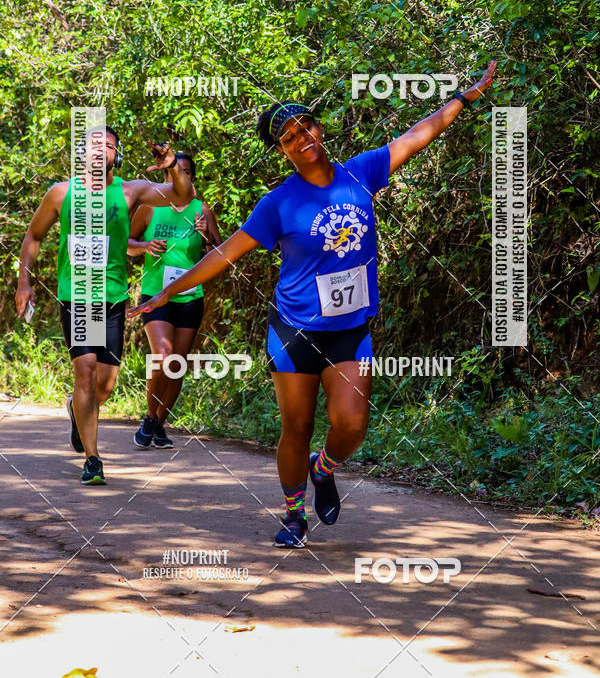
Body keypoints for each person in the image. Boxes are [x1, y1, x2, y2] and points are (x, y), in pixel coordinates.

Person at [127, 63, 496, 545]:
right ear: (282, 152)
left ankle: (325, 469)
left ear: (319, 129)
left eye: (306, 127)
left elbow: (417, 135)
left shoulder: (361, 172)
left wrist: (464, 98)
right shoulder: (278, 203)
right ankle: (293, 515)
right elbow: (224, 252)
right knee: (295, 425)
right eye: (288, 138)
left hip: (349, 327)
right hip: (294, 327)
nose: (302, 139)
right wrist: (168, 292)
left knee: (352, 424)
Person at [15, 128, 193, 485]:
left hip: (112, 296)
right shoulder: (62, 193)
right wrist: (25, 281)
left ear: (118, 155)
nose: (100, 152)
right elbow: (34, 235)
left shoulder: (130, 191)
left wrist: (172, 165)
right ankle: (93, 460)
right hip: (77, 293)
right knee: (85, 372)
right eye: (94, 147)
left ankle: (75, 410)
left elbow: (180, 196)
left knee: (105, 386)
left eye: (108, 146)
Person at [127, 152, 221, 449]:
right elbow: (125, 243)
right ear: (165, 177)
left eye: (186, 172)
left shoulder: (201, 209)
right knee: (163, 358)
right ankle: (148, 417)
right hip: (155, 296)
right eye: (173, 172)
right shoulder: (149, 207)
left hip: (189, 297)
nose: (179, 177)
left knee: (177, 365)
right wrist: (144, 246)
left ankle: (158, 423)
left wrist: (207, 236)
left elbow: (220, 252)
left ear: (191, 177)